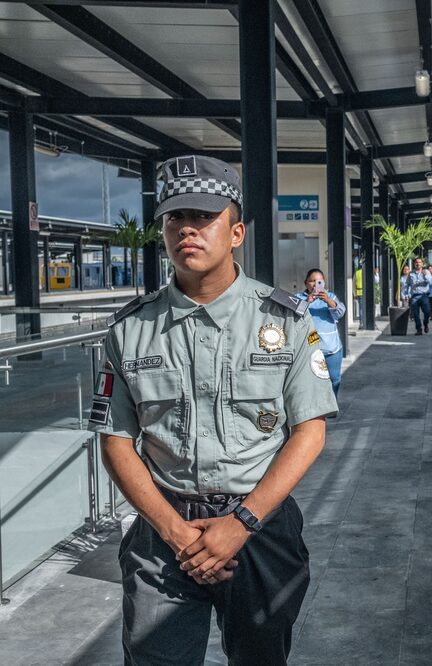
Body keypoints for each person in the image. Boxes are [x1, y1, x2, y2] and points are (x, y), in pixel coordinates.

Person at [88, 155, 339, 665]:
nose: (188, 230)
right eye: (175, 218)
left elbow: (309, 431)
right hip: (163, 534)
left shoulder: (285, 320)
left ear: (237, 232)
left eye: (205, 217)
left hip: (260, 527)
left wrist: (241, 523)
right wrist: (176, 532)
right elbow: (115, 439)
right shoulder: (129, 330)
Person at [296, 268, 347, 396]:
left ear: (323, 283)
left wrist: (328, 300)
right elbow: (294, 315)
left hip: (331, 348)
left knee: (334, 379)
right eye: (312, 281)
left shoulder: (330, 296)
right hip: (308, 348)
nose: (315, 284)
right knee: (309, 381)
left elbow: (340, 313)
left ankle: (332, 405)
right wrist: (308, 301)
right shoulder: (299, 297)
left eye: (319, 281)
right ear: (306, 283)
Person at [406, 258, 432, 334]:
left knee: (427, 312)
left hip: (424, 295)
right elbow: (408, 285)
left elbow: (430, 281)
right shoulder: (411, 273)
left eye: (419, 262)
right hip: (414, 296)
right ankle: (419, 329)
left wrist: (425, 275)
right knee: (415, 314)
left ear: (422, 264)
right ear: (414, 264)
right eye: (416, 262)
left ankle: (425, 323)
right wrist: (407, 295)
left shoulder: (426, 272)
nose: (418, 264)